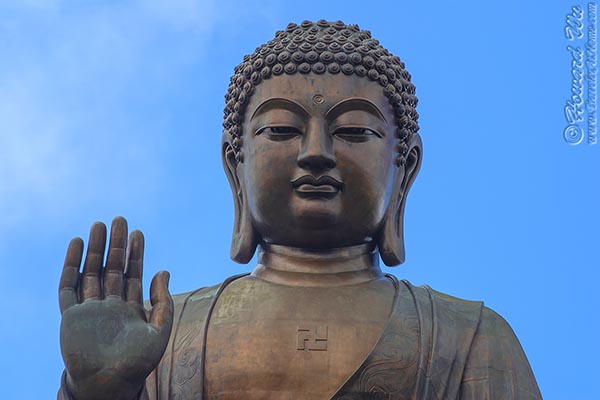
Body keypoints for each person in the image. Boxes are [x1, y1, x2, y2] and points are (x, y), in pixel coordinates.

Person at [58, 20, 542, 399]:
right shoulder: (163, 334)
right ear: (235, 163)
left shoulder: (468, 338)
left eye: (353, 131)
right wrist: (97, 393)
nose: (315, 152)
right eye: (282, 130)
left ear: (405, 166)